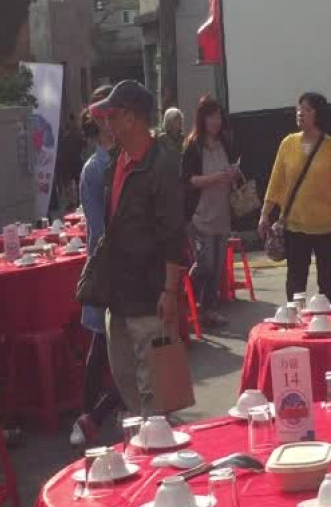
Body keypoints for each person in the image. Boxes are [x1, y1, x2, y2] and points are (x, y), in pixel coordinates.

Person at [89, 80, 185, 417]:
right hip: (119, 293)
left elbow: (173, 233)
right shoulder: (116, 159)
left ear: (131, 118)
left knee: (155, 393)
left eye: (112, 116)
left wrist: (169, 291)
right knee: (127, 381)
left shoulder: (163, 163)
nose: (106, 123)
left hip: (149, 293)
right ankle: (147, 434)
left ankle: (158, 439)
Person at [258, 92, 331, 302]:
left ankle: (327, 319)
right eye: (298, 108)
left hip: (327, 227)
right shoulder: (287, 144)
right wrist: (264, 214)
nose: (300, 113)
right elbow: (276, 182)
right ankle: (296, 320)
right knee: (296, 284)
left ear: (318, 114)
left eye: (307, 109)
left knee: (327, 284)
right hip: (295, 226)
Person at [70, 85, 124, 446]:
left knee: (117, 347)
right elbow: (98, 230)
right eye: (107, 114)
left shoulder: (128, 157)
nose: (113, 121)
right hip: (109, 268)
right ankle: (91, 413)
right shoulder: (95, 168)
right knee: (103, 345)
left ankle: (94, 414)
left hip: (128, 265)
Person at [181, 96, 239, 327]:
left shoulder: (225, 142)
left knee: (217, 267)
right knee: (205, 263)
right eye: (211, 117)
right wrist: (217, 177)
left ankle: (208, 309)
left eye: (218, 117)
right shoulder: (193, 146)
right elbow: (188, 181)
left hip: (222, 213)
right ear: (202, 119)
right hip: (200, 215)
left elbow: (231, 170)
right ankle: (186, 296)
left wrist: (233, 173)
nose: (216, 121)